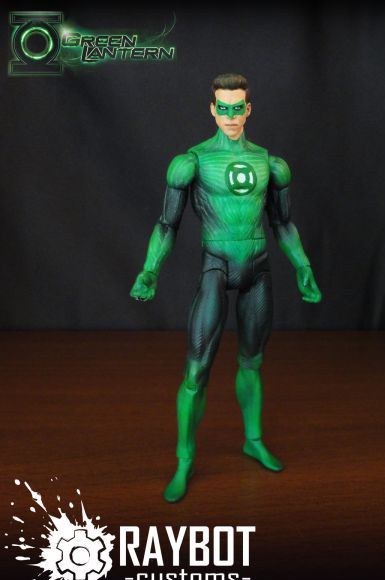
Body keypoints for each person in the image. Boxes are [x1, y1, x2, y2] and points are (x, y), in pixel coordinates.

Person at [130, 73, 322, 502]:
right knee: (196, 371)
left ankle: (252, 440)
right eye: (224, 108)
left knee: (252, 361)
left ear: (248, 110)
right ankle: (184, 460)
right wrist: (150, 270)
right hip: (215, 268)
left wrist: (302, 265)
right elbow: (166, 225)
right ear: (213, 110)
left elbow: (283, 223)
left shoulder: (271, 164)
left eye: (239, 108)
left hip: (258, 269)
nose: (231, 116)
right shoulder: (192, 162)